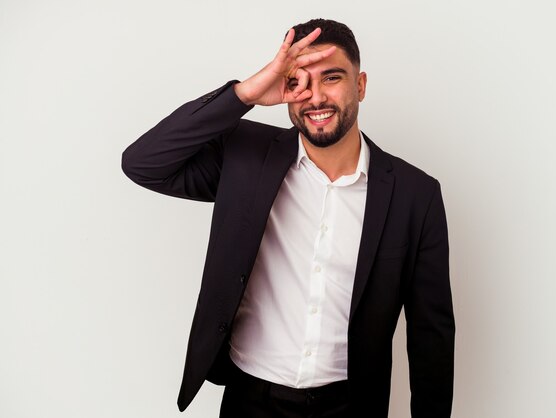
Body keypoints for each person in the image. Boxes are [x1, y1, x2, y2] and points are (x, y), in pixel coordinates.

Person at [122, 18, 454, 418]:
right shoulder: (246, 157)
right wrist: (244, 94)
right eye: (298, 81)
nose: (315, 97)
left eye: (331, 78)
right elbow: (143, 163)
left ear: (361, 85)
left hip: (351, 405)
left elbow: (430, 336)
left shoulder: (415, 195)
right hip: (250, 400)